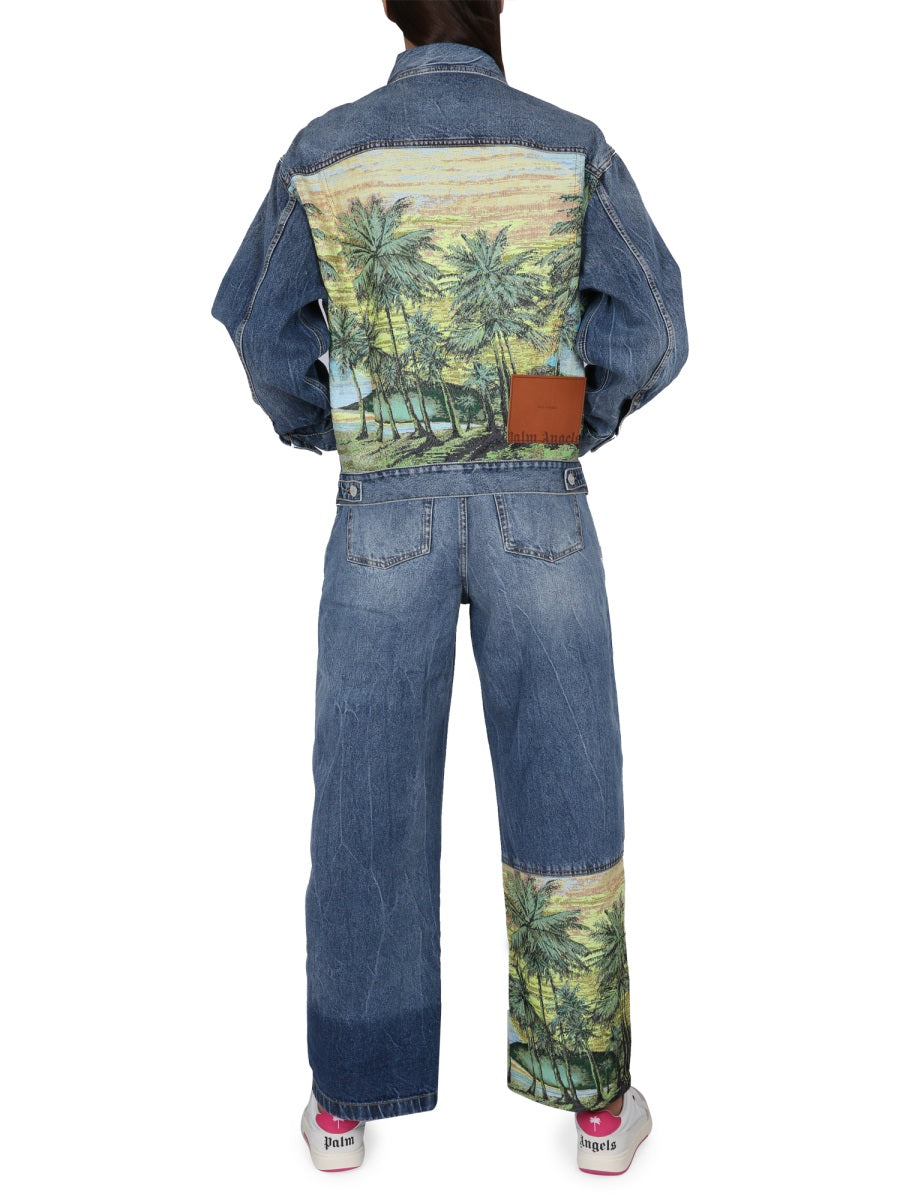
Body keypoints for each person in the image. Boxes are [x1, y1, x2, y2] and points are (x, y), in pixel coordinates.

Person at [211, 0, 688, 1177]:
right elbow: (655, 326)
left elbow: (260, 332)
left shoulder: (327, 149)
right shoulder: (569, 141)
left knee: (365, 798)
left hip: (384, 515)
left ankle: (344, 1106)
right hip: (540, 509)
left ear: (394, 8)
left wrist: (344, 430)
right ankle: (594, 1110)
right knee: (569, 784)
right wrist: (568, 419)